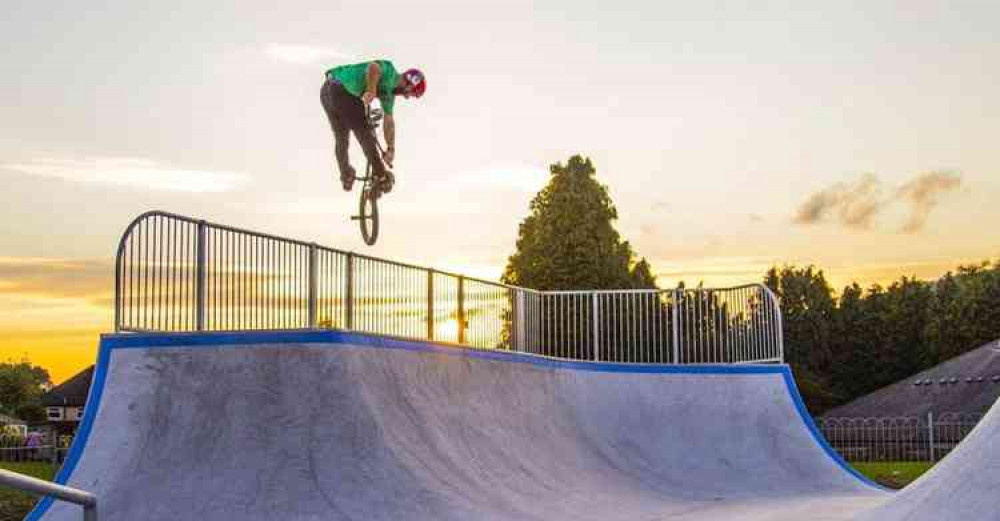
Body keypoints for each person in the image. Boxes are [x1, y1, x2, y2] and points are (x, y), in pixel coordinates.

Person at [320, 59, 426, 192]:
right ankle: (381, 175)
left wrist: (390, 149)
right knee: (364, 133)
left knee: (341, 137)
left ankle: (346, 174)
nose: (407, 97)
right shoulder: (390, 71)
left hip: (327, 91)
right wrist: (371, 89)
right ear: (411, 84)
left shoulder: (389, 96)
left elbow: (389, 122)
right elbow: (374, 68)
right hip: (342, 89)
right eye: (411, 93)